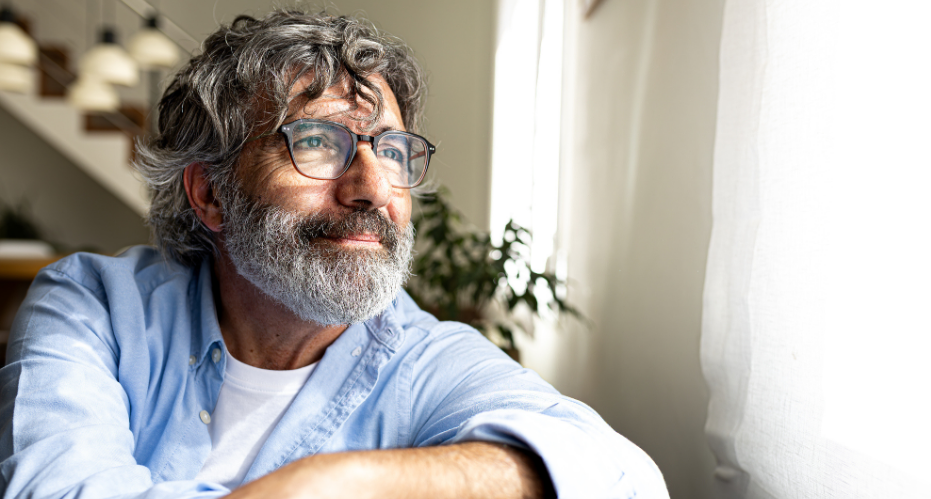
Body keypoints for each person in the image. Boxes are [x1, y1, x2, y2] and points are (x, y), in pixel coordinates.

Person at [0, 10, 667, 499]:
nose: (375, 189)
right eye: (318, 143)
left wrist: (338, 479)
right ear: (211, 195)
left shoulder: (424, 355)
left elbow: (623, 478)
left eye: (395, 152)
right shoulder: (94, 306)